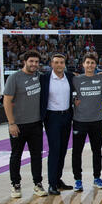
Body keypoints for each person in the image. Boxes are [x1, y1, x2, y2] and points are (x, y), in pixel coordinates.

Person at [3, 50, 47, 198]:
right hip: (18, 125)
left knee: (36, 155)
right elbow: (7, 101)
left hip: (35, 124)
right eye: (31, 61)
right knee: (16, 155)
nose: (34, 64)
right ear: (25, 62)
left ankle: (37, 183)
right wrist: (11, 123)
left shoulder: (39, 77)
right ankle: (16, 185)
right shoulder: (14, 78)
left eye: (36, 62)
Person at [40, 53, 75, 195]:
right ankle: (51, 184)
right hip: (52, 117)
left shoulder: (70, 77)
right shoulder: (44, 78)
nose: (59, 65)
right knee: (54, 150)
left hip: (66, 116)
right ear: (51, 64)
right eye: (56, 62)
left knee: (62, 150)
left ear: (64, 64)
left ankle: (57, 179)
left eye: (61, 62)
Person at [72, 53, 102, 191]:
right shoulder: (76, 79)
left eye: (92, 63)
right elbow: (63, 91)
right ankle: (78, 180)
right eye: (88, 63)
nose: (90, 65)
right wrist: (73, 100)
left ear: (96, 65)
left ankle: (97, 177)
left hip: (97, 121)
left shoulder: (101, 78)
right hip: (80, 121)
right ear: (83, 64)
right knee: (77, 152)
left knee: (97, 151)